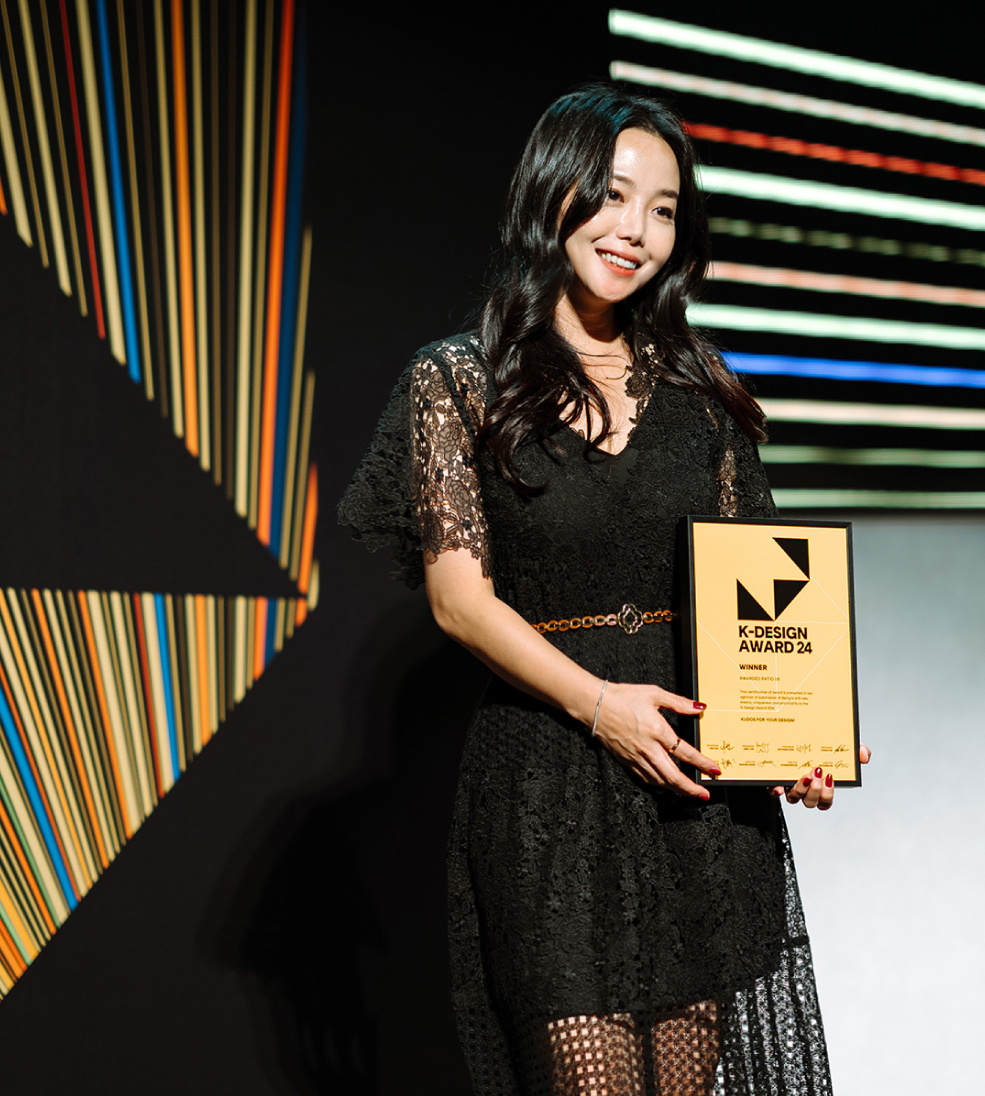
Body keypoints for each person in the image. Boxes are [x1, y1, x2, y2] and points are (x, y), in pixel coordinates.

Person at [339, 83, 871, 1096]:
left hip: (693, 790)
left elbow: (762, 584)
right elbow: (458, 601)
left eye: (663, 210)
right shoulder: (459, 381)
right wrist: (600, 706)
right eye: (614, 195)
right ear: (553, 191)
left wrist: (798, 738)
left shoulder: (697, 388)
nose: (635, 230)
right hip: (548, 786)